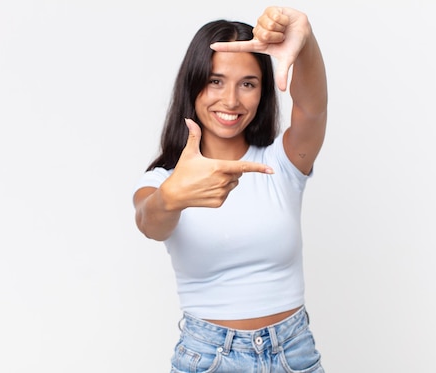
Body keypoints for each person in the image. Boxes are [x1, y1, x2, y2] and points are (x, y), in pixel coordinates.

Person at [132, 5, 328, 373]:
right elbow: (149, 221)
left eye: (248, 84)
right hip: (210, 357)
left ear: (263, 91)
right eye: (215, 81)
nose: (231, 100)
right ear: (192, 85)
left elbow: (312, 110)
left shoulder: (281, 162)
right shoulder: (163, 180)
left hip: (293, 352)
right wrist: (173, 196)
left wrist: (305, 39)